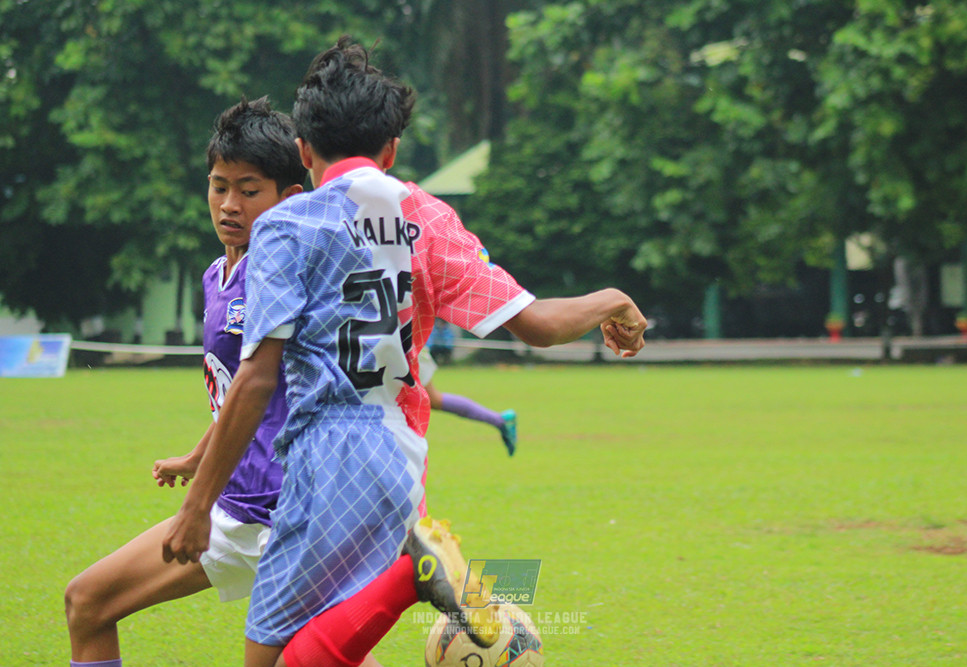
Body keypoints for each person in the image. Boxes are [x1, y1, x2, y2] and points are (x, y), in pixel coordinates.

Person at [161, 36, 646, 667]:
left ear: (302, 151)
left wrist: (197, 506)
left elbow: (256, 380)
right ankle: (413, 569)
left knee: (268, 656)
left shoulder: (287, 225)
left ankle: (411, 575)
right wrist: (611, 299)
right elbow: (538, 326)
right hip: (400, 457)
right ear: (390, 149)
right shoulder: (431, 217)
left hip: (324, 455)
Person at [63, 98, 306, 666]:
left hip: (284, 516)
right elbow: (241, 391)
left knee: (315, 656)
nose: (230, 204)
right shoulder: (216, 276)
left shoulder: (284, 271)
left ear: (289, 198)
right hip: (233, 504)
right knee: (87, 602)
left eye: (250, 190)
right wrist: (198, 458)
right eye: (219, 186)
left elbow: (261, 386)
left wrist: (195, 506)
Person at [421, 345, 518, 456]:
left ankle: (499, 420)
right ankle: (499, 420)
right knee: (432, 400)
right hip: (409, 349)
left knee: (431, 399)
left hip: (409, 350)